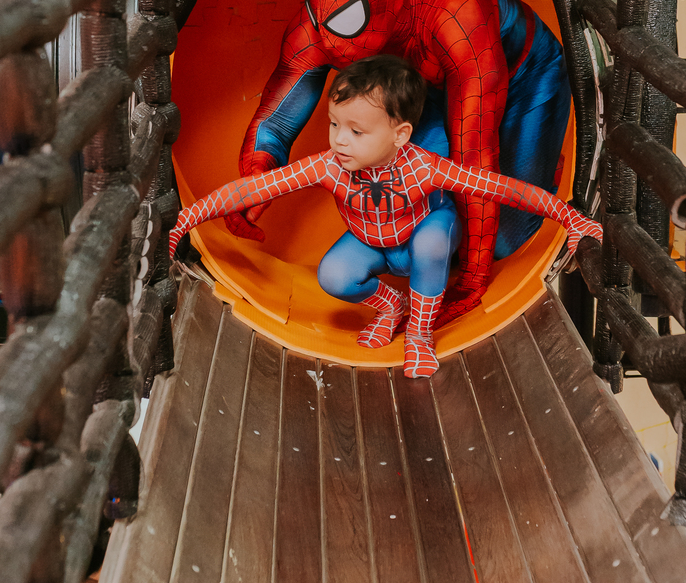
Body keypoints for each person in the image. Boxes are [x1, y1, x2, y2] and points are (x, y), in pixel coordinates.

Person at [171, 54, 599, 379]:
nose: (340, 140)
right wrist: (191, 215)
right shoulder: (329, 165)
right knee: (334, 275)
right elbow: (257, 187)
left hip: (421, 238)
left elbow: (500, 188)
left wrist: (567, 216)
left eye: (356, 131)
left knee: (432, 239)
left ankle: (418, 332)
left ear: (400, 135)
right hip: (372, 242)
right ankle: (391, 306)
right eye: (334, 124)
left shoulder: (425, 166)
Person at [234, 0, 571, 324]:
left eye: (344, 26)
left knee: (503, 239)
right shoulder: (320, 29)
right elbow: (276, 116)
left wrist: (473, 280)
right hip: (428, 86)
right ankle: (444, 239)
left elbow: (475, 155)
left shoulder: (453, 11)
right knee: (397, 178)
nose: (331, 47)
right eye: (320, 24)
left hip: (521, 74)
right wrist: (255, 177)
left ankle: (541, 171)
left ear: (387, 4)